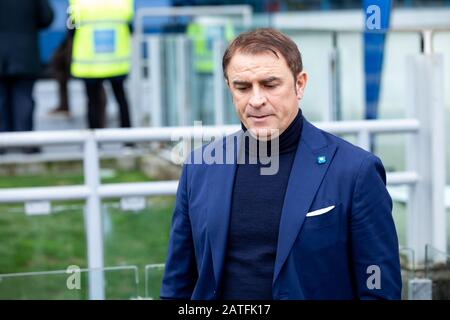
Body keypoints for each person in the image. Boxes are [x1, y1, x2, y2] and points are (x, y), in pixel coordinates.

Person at [160, 28, 402, 300]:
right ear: (229, 88)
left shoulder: (355, 171)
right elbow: (177, 285)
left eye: (270, 84)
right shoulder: (199, 168)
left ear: (300, 84)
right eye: (242, 87)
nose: (256, 100)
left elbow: (379, 287)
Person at [69, 0, 133, 130]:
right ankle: (128, 141)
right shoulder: (123, 3)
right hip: (116, 60)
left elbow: (71, 28)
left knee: (92, 102)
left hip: (89, 62)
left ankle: (94, 140)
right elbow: (131, 26)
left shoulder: (79, 2)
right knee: (121, 99)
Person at [0, 0, 54, 153]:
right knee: (24, 98)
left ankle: (2, 143)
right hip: (25, 52)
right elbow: (47, 17)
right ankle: (26, 143)